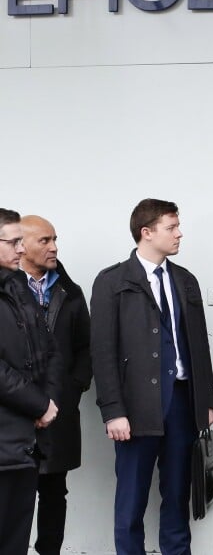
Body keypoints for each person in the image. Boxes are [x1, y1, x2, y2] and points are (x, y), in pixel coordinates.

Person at [90, 199, 213, 555]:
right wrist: (113, 410)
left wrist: (206, 400)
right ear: (146, 233)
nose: (179, 234)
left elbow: (199, 347)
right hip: (134, 407)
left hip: (181, 401)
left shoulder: (185, 280)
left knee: (177, 493)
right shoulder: (112, 281)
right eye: (171, 227)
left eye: (178, 226)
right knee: (131, 498)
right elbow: (102, 351)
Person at [20, 215, 92, 555]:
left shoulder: (70, 290)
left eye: (55, 239)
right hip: (14, 414)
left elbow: (84, 347)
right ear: (21, 246)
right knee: (12, 497)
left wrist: (71, 389)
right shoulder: (6, 288)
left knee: (53, 492)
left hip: (59, 409)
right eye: (44, 241)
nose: (54, 247)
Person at [0, 208, 61, 555]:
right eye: (12, 242)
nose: (20, 250)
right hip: (6, 438)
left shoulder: (20, 288)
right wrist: (38, 403)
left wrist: (48, 405)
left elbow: (50, 350)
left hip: (27, 443)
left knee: (15, 542)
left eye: (22, 242)